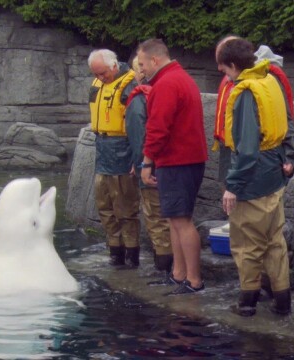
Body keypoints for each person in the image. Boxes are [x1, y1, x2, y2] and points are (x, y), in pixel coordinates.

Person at [213, 36, 294, 300]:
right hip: (274, 177)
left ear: (232, 64)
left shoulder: (247, 93)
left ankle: (247, 303)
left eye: (223, 68)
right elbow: (287, 123)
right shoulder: (270, 80)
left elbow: (247, 149)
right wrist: (290, 156)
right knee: (275, 242)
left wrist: (232, 187)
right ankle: (282, 301)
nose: (221, 72)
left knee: (247, 244)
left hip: (253, 181)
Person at [136, 39, 208, 295]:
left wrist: (147, 162)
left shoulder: (166, 84)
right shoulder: (180, 78)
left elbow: (157, 128)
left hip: (178, 161)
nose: (141, 69)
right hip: (183, 160)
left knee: (181, 221)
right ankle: (179, 275)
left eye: (142, 64)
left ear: (155, 60)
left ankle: (194, 280)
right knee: (173, 219)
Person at [87, 49, 141, 268]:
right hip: (102, 149)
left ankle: (131, 255)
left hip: (122, 149)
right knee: (104, 205)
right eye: (96, 74)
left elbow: (138, 125)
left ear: (114, 66)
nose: (100, 78)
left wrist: (136, 159)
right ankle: (115, 252)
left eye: (103, 73)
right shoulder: (96, 85)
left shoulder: (130, 85)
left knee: (125, 208)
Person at [125, 56, 174, 280]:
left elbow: (139, 137)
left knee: (156, 218)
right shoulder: (165, 91)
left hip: (151, 167)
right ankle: (174, 268)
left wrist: (141, 163)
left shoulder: (138, 99)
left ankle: (163, 269)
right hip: (171, 166)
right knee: (171, 218)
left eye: (137, 69)